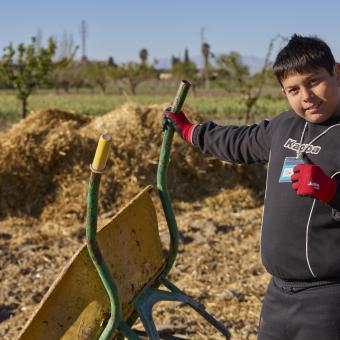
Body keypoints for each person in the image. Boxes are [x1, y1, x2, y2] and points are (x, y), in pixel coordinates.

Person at [164, 34, 340, 340]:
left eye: (314, 81)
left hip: (328, 300)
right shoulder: (285, 126)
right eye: (293, 90)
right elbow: (238, 142)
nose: (306, 96)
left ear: (336, 73)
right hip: (277, 296)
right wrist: (191, 130)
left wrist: (332, 192)